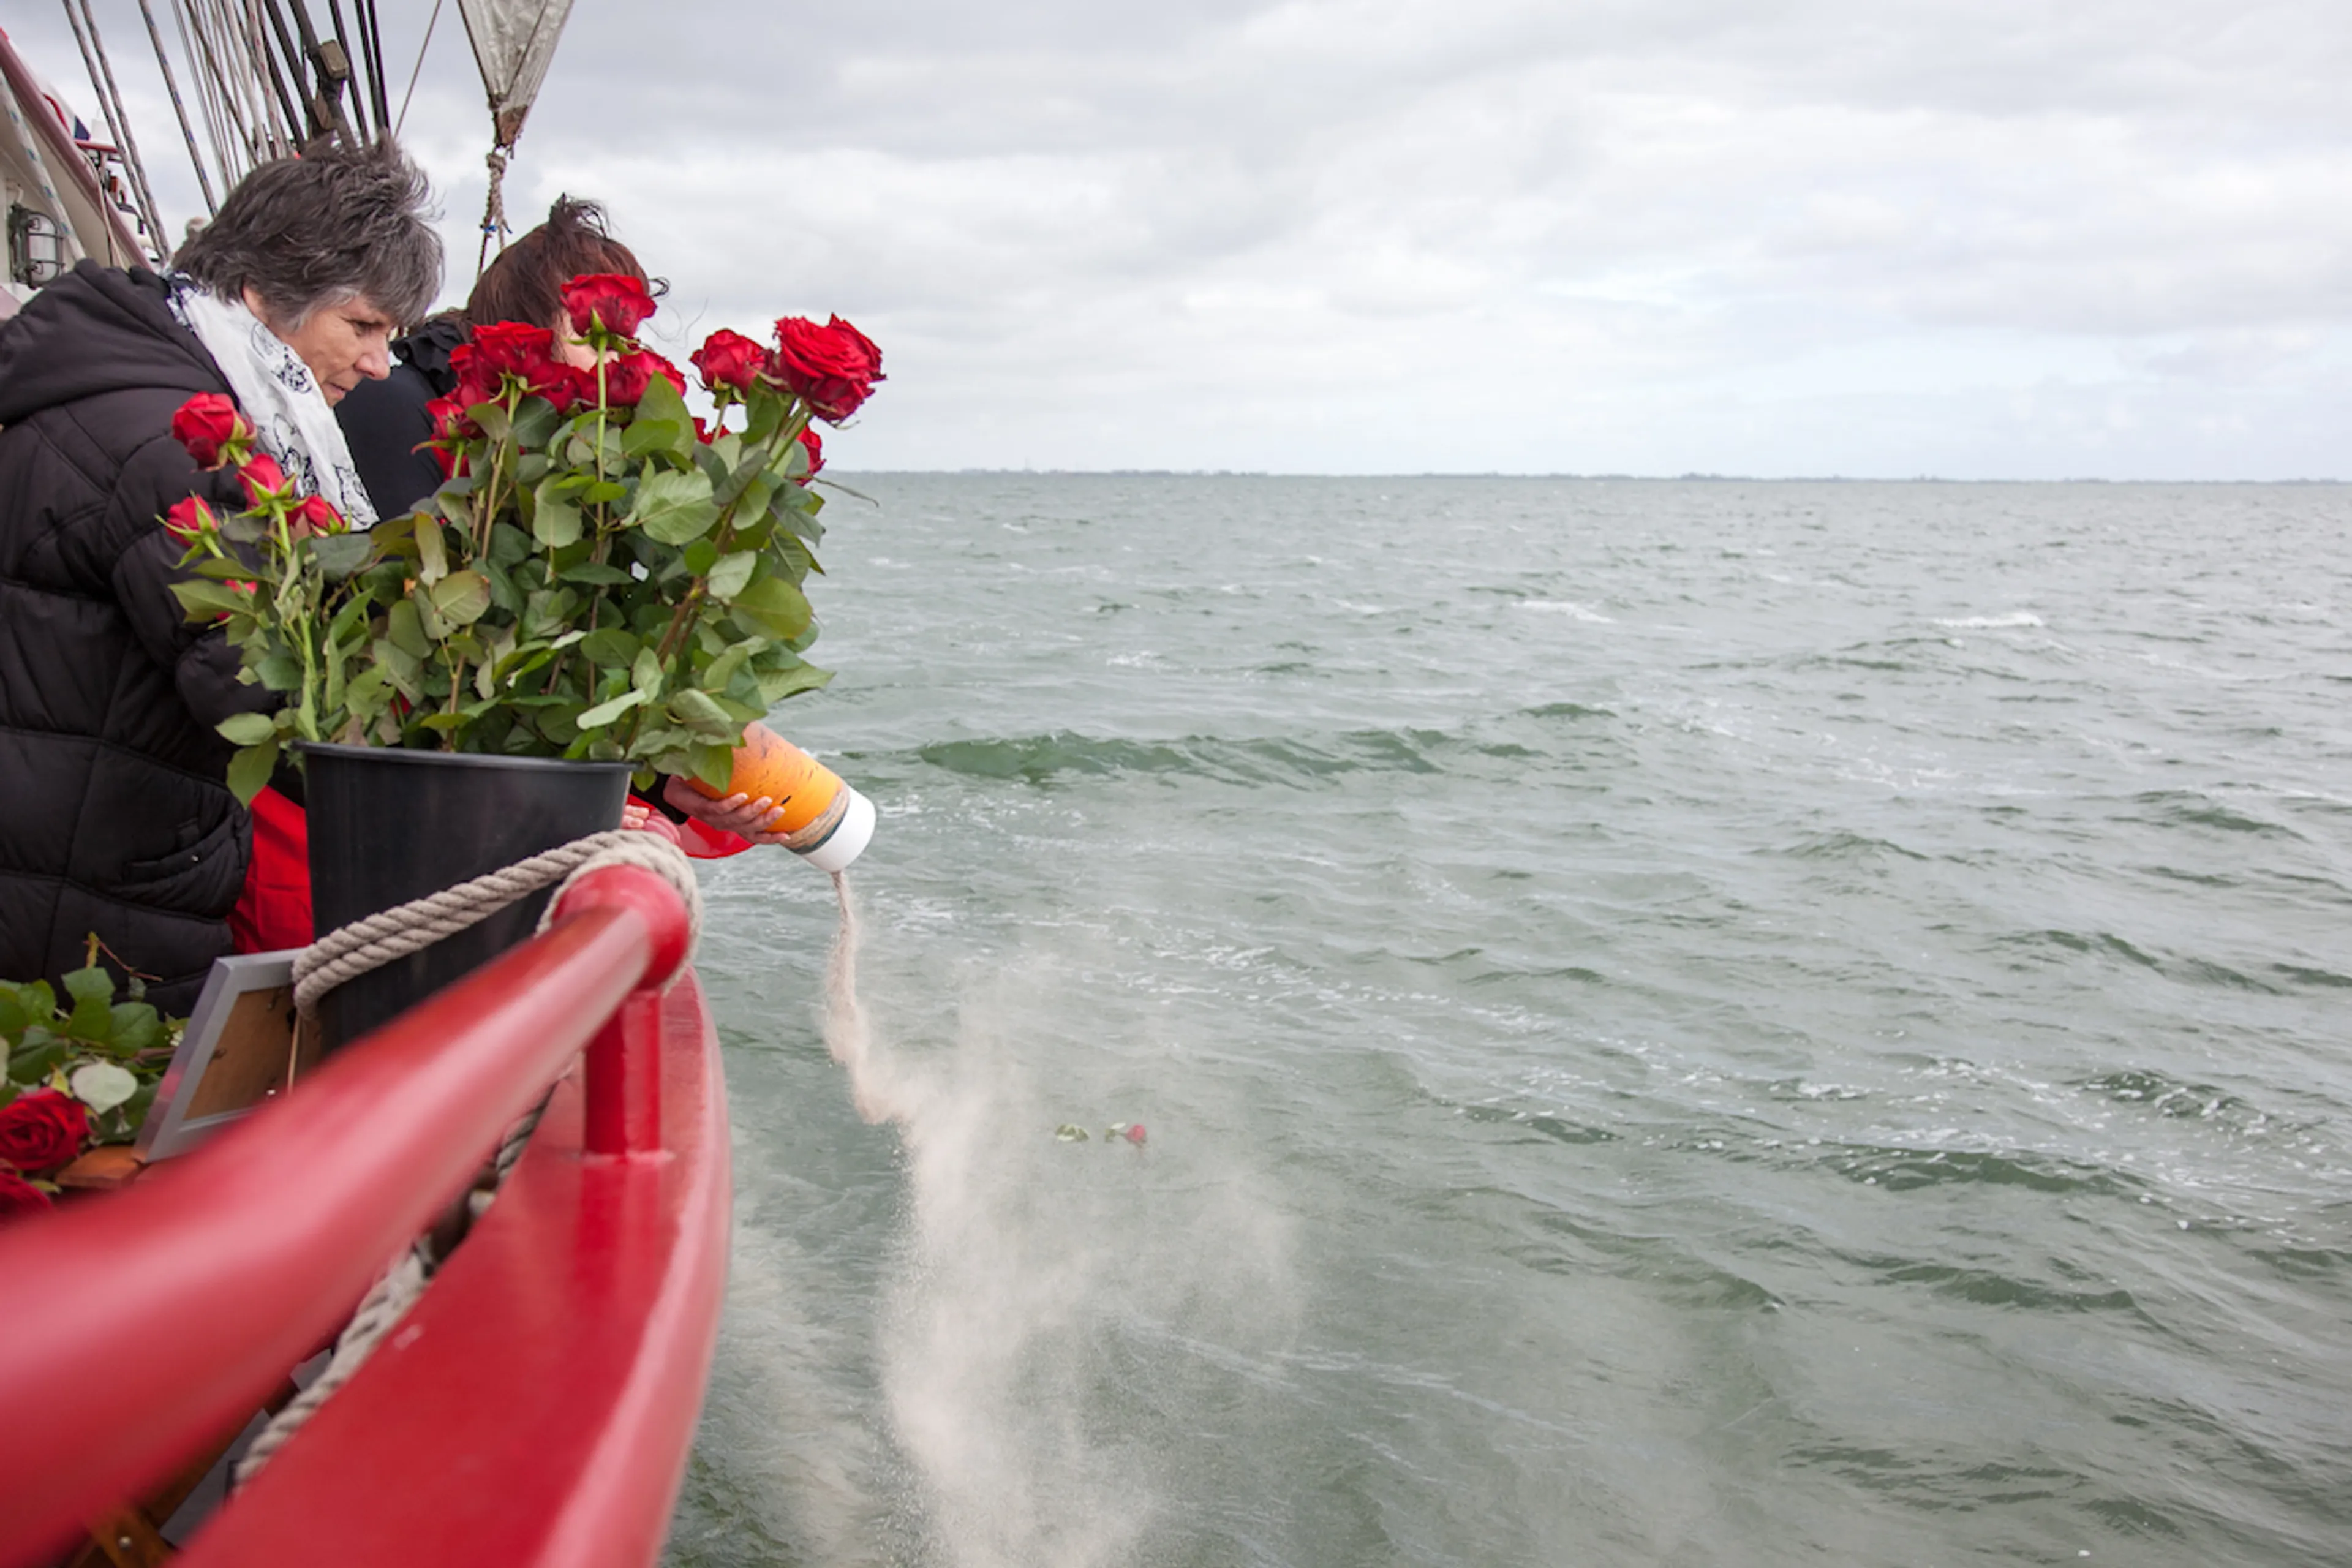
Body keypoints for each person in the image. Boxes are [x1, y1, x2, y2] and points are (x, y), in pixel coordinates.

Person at [0, 137, 439, 1010]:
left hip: (61, 857)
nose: (381, 362)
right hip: (93, 898)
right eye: (362, 326)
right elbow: (270, 692)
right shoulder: (177, 447)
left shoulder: (103, 387)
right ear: (263, 296)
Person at [339, 198, 804, 852]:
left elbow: (552, 669)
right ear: (538, 320)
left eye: (632, 331)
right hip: (366, 829)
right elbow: (408, 653)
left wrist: (656, 781)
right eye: (605, 327)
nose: (625, 354)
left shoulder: (556, 459)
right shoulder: (398, 407)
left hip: (467, 811)